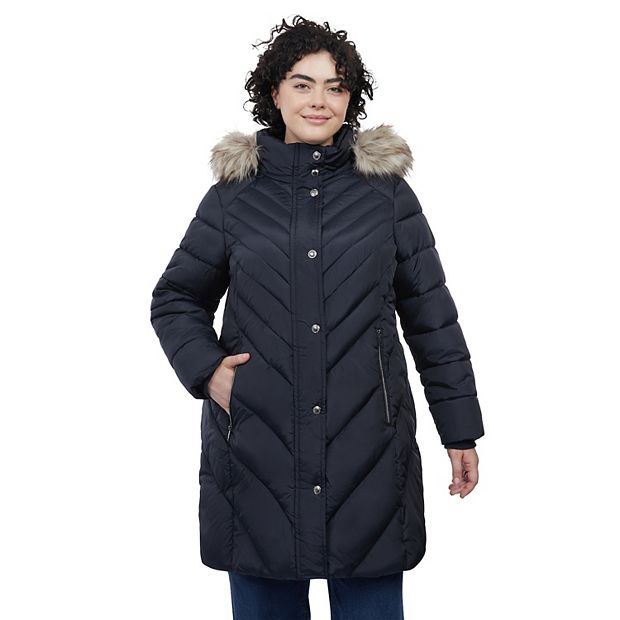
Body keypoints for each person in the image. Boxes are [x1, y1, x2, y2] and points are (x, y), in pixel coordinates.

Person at [150, 15, 485, 620]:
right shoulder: (233, 195)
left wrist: (459, 431)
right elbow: (175, 297)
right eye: (302, 84)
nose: (319, 100)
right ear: (274, 92)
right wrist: (210, 372)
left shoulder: (386, 194)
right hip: (258, 451)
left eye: (335, 87)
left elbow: (432, 317)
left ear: (350, 99)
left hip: (369, 452)